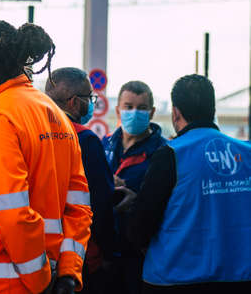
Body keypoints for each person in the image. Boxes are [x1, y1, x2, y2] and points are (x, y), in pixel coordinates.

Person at [0, 20, 92, 294]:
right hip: (53, 277)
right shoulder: (54, 114)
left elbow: (12, 215)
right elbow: (79, 208)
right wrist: (68, 274)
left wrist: (41, 282)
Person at [128, 74, 251, 293]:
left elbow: (141, 225)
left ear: (176, 113)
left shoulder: (171, 154)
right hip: (239, 276)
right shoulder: (246, 153)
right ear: (213, 110)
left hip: (174, 277)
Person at [45, 67, 115, 294]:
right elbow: (100, 201)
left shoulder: (33, 132)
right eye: (89, 98)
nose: (92, 103)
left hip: (36, 253)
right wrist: (108, 251)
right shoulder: (85, 139)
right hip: (77, 255)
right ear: (74, 102)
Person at [101, 81, 166, 294]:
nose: (134, 112)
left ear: (152, 112)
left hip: (143, 253)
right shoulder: (104, 145)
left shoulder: (165, 152)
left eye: (141, 108)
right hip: (106, 251)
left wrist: (138, 201)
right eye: (128, 107)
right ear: (118, 110)